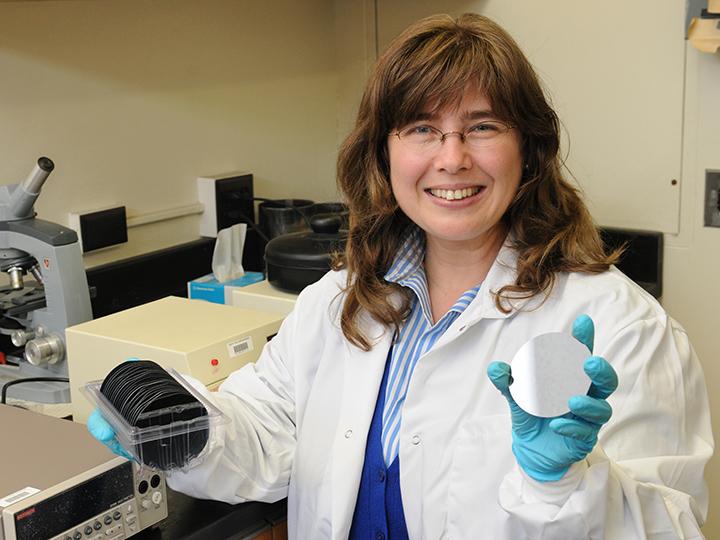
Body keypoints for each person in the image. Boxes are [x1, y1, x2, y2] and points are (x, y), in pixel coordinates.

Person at [88, 13, 713, 539]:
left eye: (483, 127)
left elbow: (673, 523)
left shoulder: (621, 326)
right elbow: (267, 432)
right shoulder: (338, 300)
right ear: (384, 154)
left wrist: (567, 485)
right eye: (422, 129)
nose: (451, 158)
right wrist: (182, 430)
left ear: (531, 151)